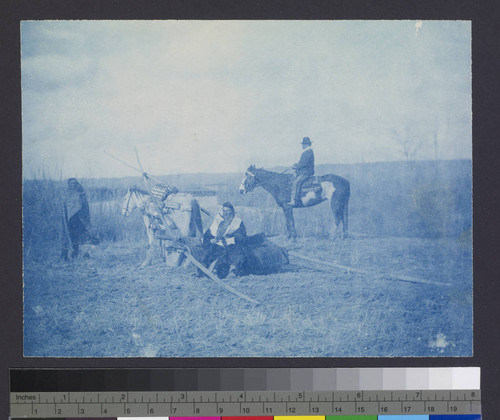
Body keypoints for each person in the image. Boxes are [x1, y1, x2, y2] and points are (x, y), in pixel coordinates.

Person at [200, 202, 248, 278]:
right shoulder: (217, 221)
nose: (226, 213)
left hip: (232, 243)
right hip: (218, 243)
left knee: (236, 253)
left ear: (232, 211)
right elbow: (208, 234)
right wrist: (211, 240)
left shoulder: (237, 222)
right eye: (224, 211)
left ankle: (233, 271)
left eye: (228, 211)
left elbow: (242, 235)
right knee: (210, 251)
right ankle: (208, 271)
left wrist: (231, 239)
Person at [61, 178, 93, 259]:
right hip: (70, 220)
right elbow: (65, 208)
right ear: (69, 184)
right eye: (71, 183)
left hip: (80, 218)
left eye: (74, 183)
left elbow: (85, 206)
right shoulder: (66, 194)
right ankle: (72, 253)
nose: (73, 185)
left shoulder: (81, 193)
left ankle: (85, 254)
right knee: (71, 236)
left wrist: (86, 218)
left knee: (83, 236)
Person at [289, 136, 314, 206]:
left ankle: (295, 200)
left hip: (306, 172)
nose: (302, 146)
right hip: (305, 171)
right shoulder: (308, 151)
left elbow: (303, 163)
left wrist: (295, 166)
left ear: (306, 144)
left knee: (296, 183)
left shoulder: (307, 152)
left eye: (303, 144)